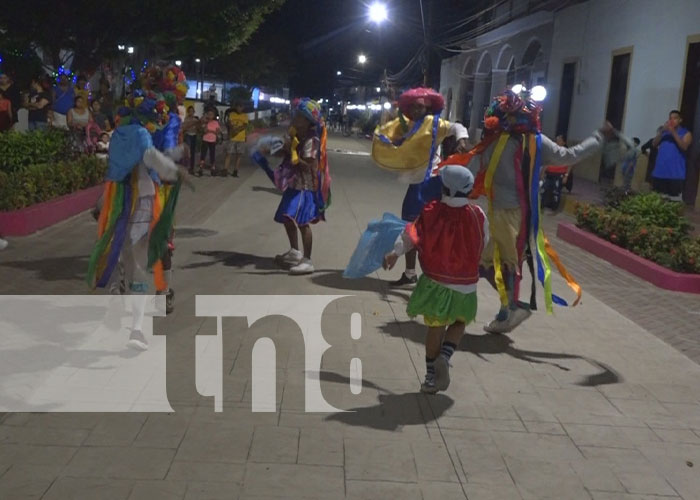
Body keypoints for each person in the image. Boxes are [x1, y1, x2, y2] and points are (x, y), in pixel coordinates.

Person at [461, 89, 611, 334]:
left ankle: (511, 308)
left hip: (507, 214)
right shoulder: (536, 142)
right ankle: (507, 310)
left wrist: (448, 186)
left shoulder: (497, 143)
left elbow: (470, 168)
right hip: (520, 213)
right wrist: (598, 138)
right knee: (493, 264)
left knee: (500, 264)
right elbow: (569, 156)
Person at [383, 165, 487, 393]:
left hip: (435, 282)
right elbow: (484, 242)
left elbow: (410, 235)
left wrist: (395, 253)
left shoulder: (430, 211)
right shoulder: (478, 214)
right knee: (460, 321)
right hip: (466, 284)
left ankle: (431, 377)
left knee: (435, 326)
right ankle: (446, 355)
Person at [372, 87, 469, 288]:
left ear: (428, 108)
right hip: (414, 183)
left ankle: (434, 276)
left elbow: (456, 128)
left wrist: (461, 140)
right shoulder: (408, 125)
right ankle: (410, 274)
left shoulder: (435, 124)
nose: (416, 111)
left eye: (420, 107)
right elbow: (391, 135)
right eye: (414, 107)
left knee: (426, 231)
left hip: (430, 183)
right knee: (409, 228)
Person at [274, 98, 331, 275]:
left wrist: (294, 153)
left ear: (307, 121)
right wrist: (285, 147)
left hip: (305, 187)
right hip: (294, 185)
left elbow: (308, 163)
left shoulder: (311, 140)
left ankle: (307, 260)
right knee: (286, 217)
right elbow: (284, 156)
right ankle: (294, 252)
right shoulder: (297, 135)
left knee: (302, 222)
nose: (294, 119)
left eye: (299, 116)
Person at [651, 110, 693, 201]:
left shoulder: (686, 133)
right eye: (670, 118)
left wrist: (673, 132)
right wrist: (662, 131)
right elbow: (654, 144)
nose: (672, 120)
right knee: (657, 201)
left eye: (675, 118)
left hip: (675, 174)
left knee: (673, 203)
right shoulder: (664, 133)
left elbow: (684, 146)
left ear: (680, 120)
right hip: (660, 172)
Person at [540, 135, 573, 210]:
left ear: (563, 142)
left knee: (556, 191)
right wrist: (543, 172)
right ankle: (542, 205)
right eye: (556, 140)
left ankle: (554, 207)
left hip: (559, 174)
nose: (557, 141)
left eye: (559, 140)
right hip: (549, 173)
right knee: (544, 188)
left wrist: (566, 175)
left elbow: (570, 164)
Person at [224, 101, 249, 177]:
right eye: (238, 106)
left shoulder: (245, 116)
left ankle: (235, 170)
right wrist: (233, 129)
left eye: (241, 107)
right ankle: (225, 169)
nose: (239, 108)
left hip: (241, 138)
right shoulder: (232, 114)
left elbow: (245, 125)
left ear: (243, 108)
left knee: (239, 155)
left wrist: (237, 129)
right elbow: (229, 123)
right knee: (229, 153)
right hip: (232, 137)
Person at [198, 109, 223, 176]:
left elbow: (217, 132)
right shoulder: (205, 122)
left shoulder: (215, 123)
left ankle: (213, 168)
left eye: (211, 114)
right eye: (208, 114)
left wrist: (211, 131)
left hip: (212, 140)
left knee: (212, 154)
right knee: (203, 154)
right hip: (205, 139)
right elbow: (205, 131)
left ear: (214, 116)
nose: (210, 116)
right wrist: (206, 124)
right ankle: (201, 167)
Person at [182, 105, 200, 174]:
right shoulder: (186, 119)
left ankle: (191, 167)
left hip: (194, 136)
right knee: (187, 152)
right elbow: (184, 128)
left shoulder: (196, 120)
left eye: (192, 111)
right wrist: (191, 124)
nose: (191, 113)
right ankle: (186, 166)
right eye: (190, 111)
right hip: (188, 135)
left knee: (193, 152)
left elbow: (198, 129)